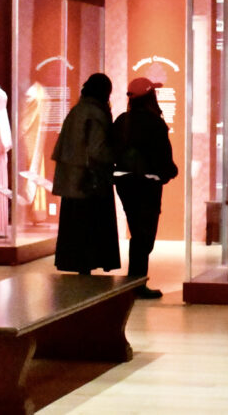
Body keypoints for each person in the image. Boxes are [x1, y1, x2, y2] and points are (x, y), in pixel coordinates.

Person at [111, 77, 178, 299]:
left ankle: (135, 282)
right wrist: (169, 173)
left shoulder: (122, 120)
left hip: (124, 182)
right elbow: (164, 159)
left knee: (137, 231)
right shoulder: (155, 123)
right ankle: (136, 284)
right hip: (147, 184)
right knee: (144, 235)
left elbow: (113, 151)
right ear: (151, 97)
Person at [50, 73, 120, 275]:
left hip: (73, 182)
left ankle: (81, 268)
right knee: (89, 230)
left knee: (75, 230)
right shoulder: (96, 113)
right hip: (90, 183)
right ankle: (86, 268)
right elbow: (97, 150)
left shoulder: (77, 110)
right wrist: (117, 153)